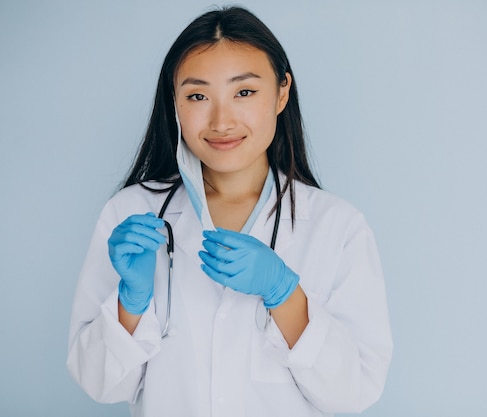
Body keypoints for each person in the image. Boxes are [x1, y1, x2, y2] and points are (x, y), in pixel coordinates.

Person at [67, 6, 392, 417]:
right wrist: (131, 302)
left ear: (281, 92)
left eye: (244, 92)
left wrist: (286, 295)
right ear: (175, 102)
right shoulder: (131, 213)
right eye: (198, 96)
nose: (222, 121)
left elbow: (354, 392)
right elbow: (99, 384)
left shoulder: (338, 227)